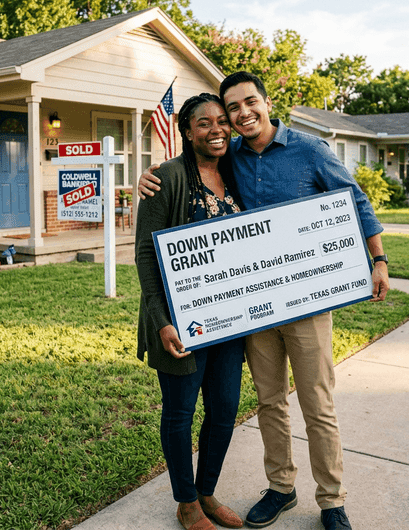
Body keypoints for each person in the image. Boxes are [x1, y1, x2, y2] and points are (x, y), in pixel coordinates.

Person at [139, 72, 390, 530]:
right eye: (231, 109)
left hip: (307, 301)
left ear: (267, 102)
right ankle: (281, 487)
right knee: (270, 401)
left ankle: (332, 500)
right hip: (247, 309)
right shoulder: (228, 153)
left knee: (317, 402)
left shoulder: (309, 150)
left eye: (246, 103)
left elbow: (355, 201)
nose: (238, 115)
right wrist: (148, 177)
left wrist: (378, 259)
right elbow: (184, 175)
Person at [135, 93, 246, 530]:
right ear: (185, 129)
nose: (217, 129)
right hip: (181, 320)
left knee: (224, 409)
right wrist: (161, 321)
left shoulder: (238, 172)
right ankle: (185, 501)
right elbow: (146, 253)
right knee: (180, 413)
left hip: (233, 319)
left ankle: (207, 492)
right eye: (204, 123)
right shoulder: (165, 178)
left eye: (222, 121)